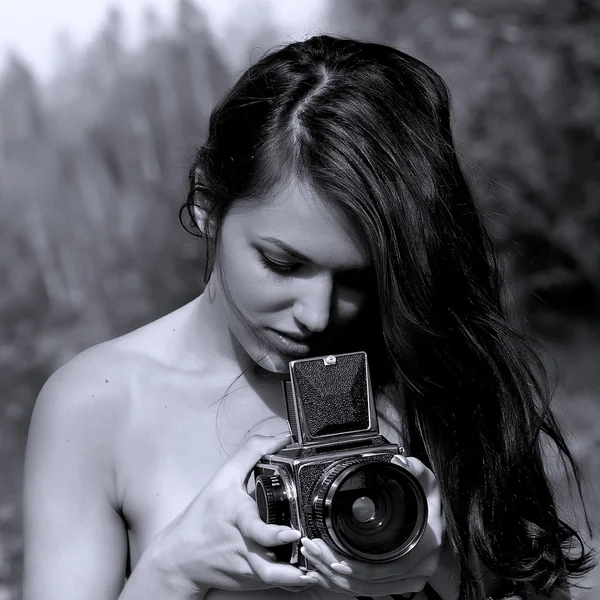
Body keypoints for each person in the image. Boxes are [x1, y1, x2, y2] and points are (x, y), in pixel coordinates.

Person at [22, 34, 594, 600]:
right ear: (207, 208)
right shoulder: (99, 403)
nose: (317, 316)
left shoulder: (433, 370)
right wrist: (172, 572)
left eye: (357, 279)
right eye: (282, 263)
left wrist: (440, 570)